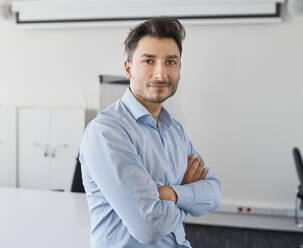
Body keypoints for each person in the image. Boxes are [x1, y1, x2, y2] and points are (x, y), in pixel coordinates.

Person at [79, 17, 222, 248]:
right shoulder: (107, 132)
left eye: (171, 62)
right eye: (148, 61)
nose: (161, 74)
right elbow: (149, 226)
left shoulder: (173, 129)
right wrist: (188, 193)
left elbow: (214, 193)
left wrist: (172, 194)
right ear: (128, 68)